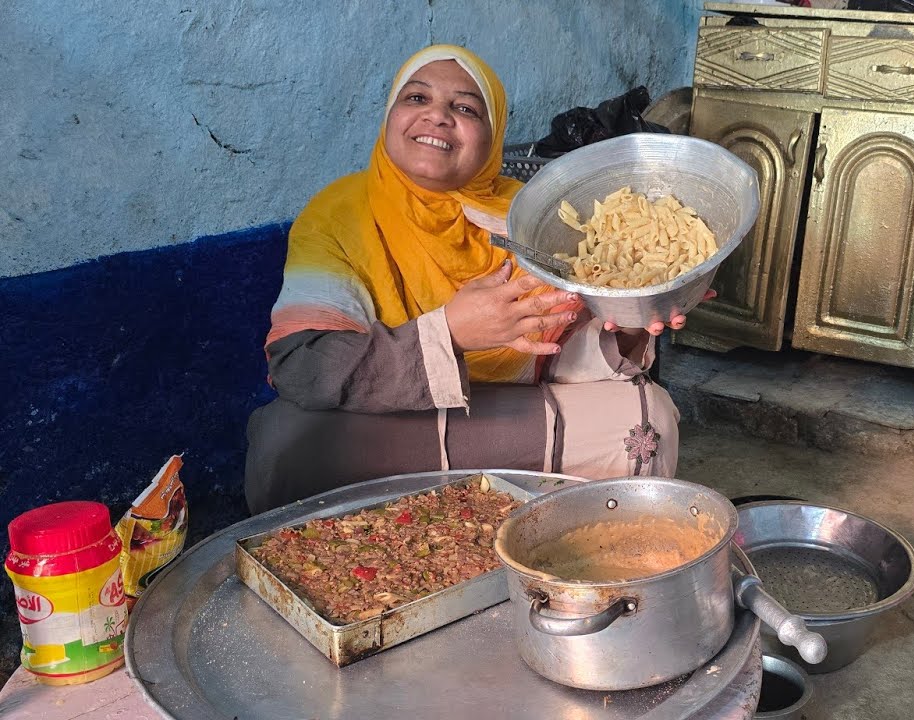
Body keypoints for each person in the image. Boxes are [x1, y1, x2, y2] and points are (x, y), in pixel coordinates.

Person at [243, 45, 692, 515]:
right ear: (390, 116)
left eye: (464, 108)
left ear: (491, 137)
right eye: (416, 99)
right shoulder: (339, 216)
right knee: (287, 445)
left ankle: (541, 534)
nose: (437, 117)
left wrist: (633, 317)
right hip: (387, 426)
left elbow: (565, 364)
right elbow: (304, 368)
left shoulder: (531, 219)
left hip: (511, 421)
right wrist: (451, 333)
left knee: (649, 417)